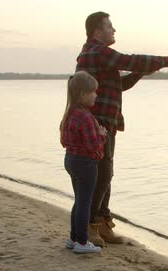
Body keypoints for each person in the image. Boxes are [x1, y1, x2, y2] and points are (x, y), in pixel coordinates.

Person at [75, 11, 168, 245]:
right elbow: (129, 59)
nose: (114, 30)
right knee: (102, 174)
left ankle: (103, 224)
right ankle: (89, 227)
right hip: (96, 125)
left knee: (105, 175)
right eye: (110, 26)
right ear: (98, 31)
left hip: (107, 124)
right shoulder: (96, 52)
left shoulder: (100, 55)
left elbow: (119, 84)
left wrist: (139, 73)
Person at [60, 71, 107, 254]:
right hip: (85, 163)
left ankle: (73, 238)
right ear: (82, 94)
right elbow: (92, 145)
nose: (96, 95)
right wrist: (102, 135)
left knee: (79, 201)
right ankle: (81, 241)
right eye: (93, 92)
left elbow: (64, 141)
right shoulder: (85, 117)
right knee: (85, 203)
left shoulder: (69, 114)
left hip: (71, 159)